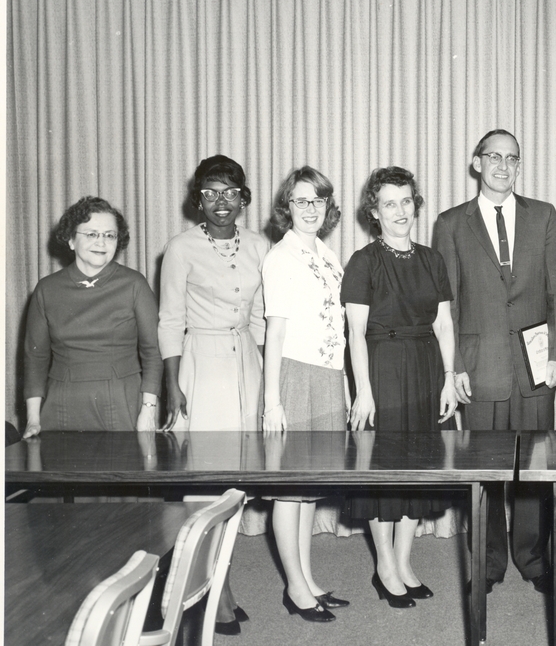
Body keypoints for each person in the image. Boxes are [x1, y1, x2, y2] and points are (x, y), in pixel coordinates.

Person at [432, 129, 556, 594]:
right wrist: (453, 368)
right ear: (476, 163)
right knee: (486, 471)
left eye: (512, 158)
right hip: (479, 365)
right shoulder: (451, 223)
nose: (503, 165)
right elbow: (445, 305)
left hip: (535, 369)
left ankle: (533, 559)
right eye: (494, 156)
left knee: (533, 470)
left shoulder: (544, 216)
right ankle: (488, 564)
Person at [157, 154, 270, 634]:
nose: (220, 202)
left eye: (230, 192)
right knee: (203, 485)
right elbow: (169, 320)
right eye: (210, 192)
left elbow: (264, 316)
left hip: (246, 360)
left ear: (243, 197)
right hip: (200, 365)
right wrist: (173, 387)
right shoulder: (180, 248)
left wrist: (269, 383)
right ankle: (210, 593)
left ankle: (219, 581)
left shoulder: (261, 245)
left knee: (237, 483)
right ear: (197, 198)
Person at [343, 166, 460, 608]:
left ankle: (406, 561)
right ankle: (385, 565)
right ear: (374, 211)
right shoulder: (364, 261)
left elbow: (444, 323)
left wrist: (449, 378)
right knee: (383, 470)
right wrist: (364, 391)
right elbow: (356, 334)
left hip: (427, 368)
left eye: (406, 201)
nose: (400, 211)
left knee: (418, 469)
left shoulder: (432, 259)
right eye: (389, 203)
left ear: (416, 204)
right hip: (384, 367)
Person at [261, 166, 349, 623]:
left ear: (328, 207)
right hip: (295, 375)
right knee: (288, 490)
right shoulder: (281, 257)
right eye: (301, 201)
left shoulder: (328, 255)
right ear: (286, 208)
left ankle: (308, 578)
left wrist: (346, 385)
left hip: (328, 376)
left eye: (317, 200)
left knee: (308, 491)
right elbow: (274, 332)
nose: (310, 209)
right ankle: (294, 588)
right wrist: (272, 401)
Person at [23, 196, 161, 437]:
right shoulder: (47, 289)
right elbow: (35, 359)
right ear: (70, 239)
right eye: (91, 234)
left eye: (110, 235)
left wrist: (148, 413)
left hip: (122, 401)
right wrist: (33, 419)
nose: (102, 242)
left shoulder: (134, 284)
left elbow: (152, 353)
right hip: (61, 403)